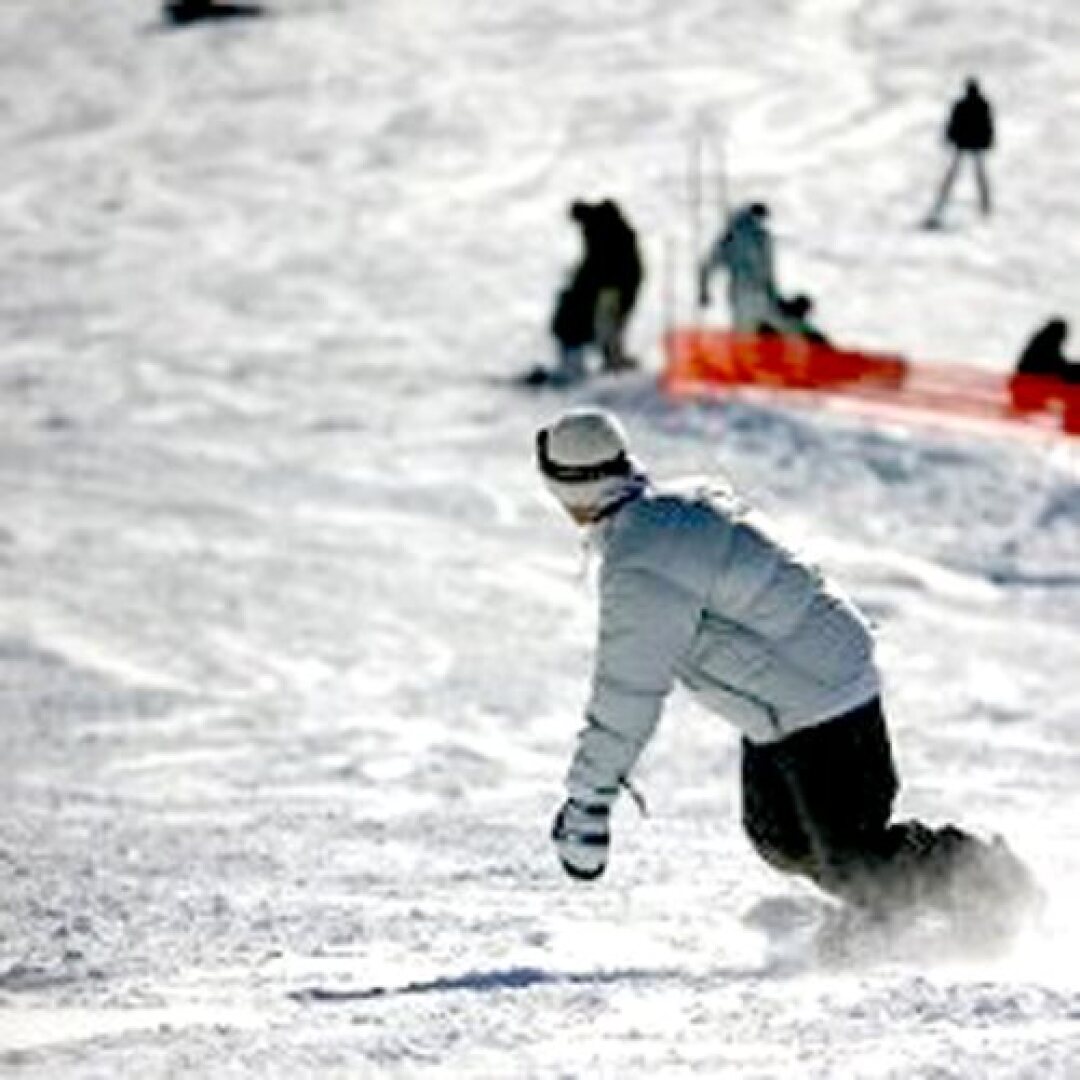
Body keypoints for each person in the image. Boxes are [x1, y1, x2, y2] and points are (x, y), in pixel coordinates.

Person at [537, 406, 1038, 924]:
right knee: (780, 839)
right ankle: (891, 904)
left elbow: (628, 689)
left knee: (851, 856)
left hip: (821, 696)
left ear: (566, 490)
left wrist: (588, 804)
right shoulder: (672, 510)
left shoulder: (642, 557)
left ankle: (991, 885)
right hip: (787, 698)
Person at [548, 199, 644, 384]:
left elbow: (600, 262)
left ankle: (612, 362)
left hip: (615, 285)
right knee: (608, 324)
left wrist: (585, 280)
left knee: (606, 324)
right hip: (618, 283)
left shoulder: (599, 228)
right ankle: (612, 359)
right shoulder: (609, 224)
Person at [699, 201, 790, 334]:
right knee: (765, 333)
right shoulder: (761, 238)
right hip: (758, 295)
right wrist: (776, 297)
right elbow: (768, 273)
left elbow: (709, 264)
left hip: (742, 295)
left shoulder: (732, 236)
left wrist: (704, 289)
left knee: (748, 336)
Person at [925, 77, 995, 229]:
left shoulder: (962, 105)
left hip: (964, 143)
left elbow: (954, 124)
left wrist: (950, 138)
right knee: (978, 175)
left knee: (956, 176)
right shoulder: (982, 105)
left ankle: (943, 204)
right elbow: (988, 126)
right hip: (974, 143)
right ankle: (985, 205)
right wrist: (987, 141)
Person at [164, 0, 265, 26]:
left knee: (229, 11)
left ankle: (254, 12)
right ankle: (254, 12)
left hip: (202, 10)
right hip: (203, 10)